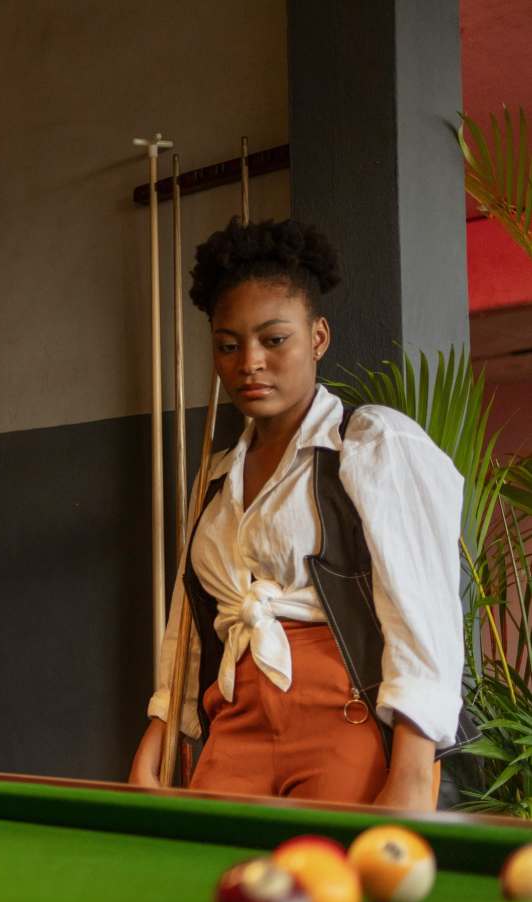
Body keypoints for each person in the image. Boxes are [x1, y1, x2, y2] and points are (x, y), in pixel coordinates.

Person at [128, 219, 462, 810]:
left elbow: (424, 617)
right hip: (234, 725)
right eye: (229, 345)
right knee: (209, 886)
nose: (249, 362)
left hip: (345, 725)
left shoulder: (372, 445)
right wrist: (160, 728)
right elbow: (189, 623)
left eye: (274, 340)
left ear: (318, 336)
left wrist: (410, 772)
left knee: (332, 895)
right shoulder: (215, 477)